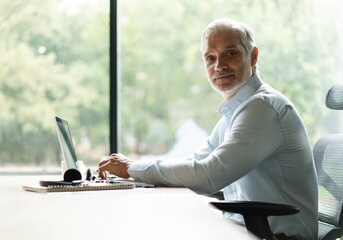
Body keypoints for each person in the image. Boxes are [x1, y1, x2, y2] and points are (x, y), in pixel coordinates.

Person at [97, 18, 318, 240]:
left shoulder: (263, 108)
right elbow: (198, 159)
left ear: (253, 56)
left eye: (230, 53)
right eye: (210, 58)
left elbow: (209, 174)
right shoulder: (237, 112)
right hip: (248, 230)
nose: (219, 66)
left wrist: (133, 168)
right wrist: (132, 174)